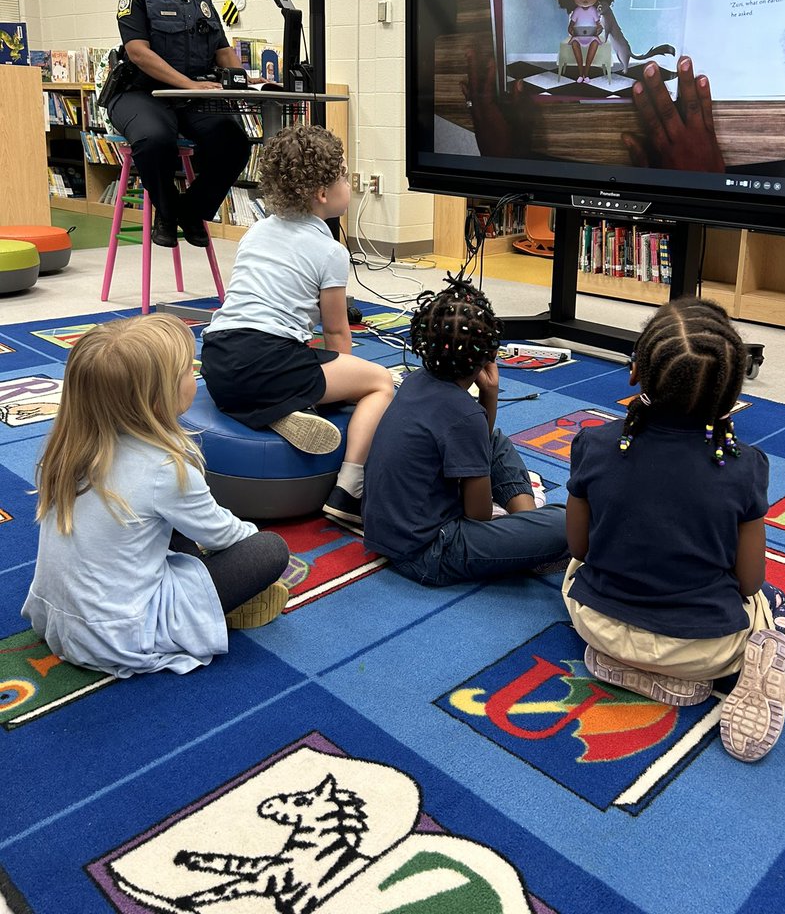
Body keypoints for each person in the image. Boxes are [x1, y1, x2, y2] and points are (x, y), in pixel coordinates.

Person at [562, 297, 785, 762]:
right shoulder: (745, 465)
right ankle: (769, 657)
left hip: (598, 625)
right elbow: (749, 581)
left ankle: (626, 664)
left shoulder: (593, 442)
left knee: (572, 568)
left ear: (635, 371)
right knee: (774, 601)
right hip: (705, 649)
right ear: (732, 394)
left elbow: (579, 546)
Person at [21, 315, 291, 679]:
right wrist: (249, 540)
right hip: (121, 633)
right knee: (270, 549)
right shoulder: (164, 468)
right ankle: (210, 613)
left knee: (167, 524)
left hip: (58, 621)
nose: (194, 377)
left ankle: (211, 602)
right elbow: (224, 535)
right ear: (156, 396)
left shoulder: (69, 449)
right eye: (186, 371)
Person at [201, 124, 394, 522]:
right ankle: (349, 492)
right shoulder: (330, 251)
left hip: (218, 359)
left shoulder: (254, 232)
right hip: (268, 359)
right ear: (323, 194)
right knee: (381, 382)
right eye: (343, 175)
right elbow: (337, 332)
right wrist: (345, 388)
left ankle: (276, 408)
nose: (348, 183)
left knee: (286, 364)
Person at [362, 274, 569, 584]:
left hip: (387, 534)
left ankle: (527, 526)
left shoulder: (415, 381)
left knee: (493, 440)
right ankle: (531, 535)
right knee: (568, 521)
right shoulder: (464, 415)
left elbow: (479, 441)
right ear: (487, 356)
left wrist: (489, 394)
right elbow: (479, 514)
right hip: (430, 551)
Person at [108, 0, 251, 249]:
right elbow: (138, 53)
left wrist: (243, 80)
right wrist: (188, 83)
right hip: (141, 93)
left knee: (234, 143)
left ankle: (186, 213)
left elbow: (223, 51)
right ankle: (170, 212)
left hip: (188, 96)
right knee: (155, 138)